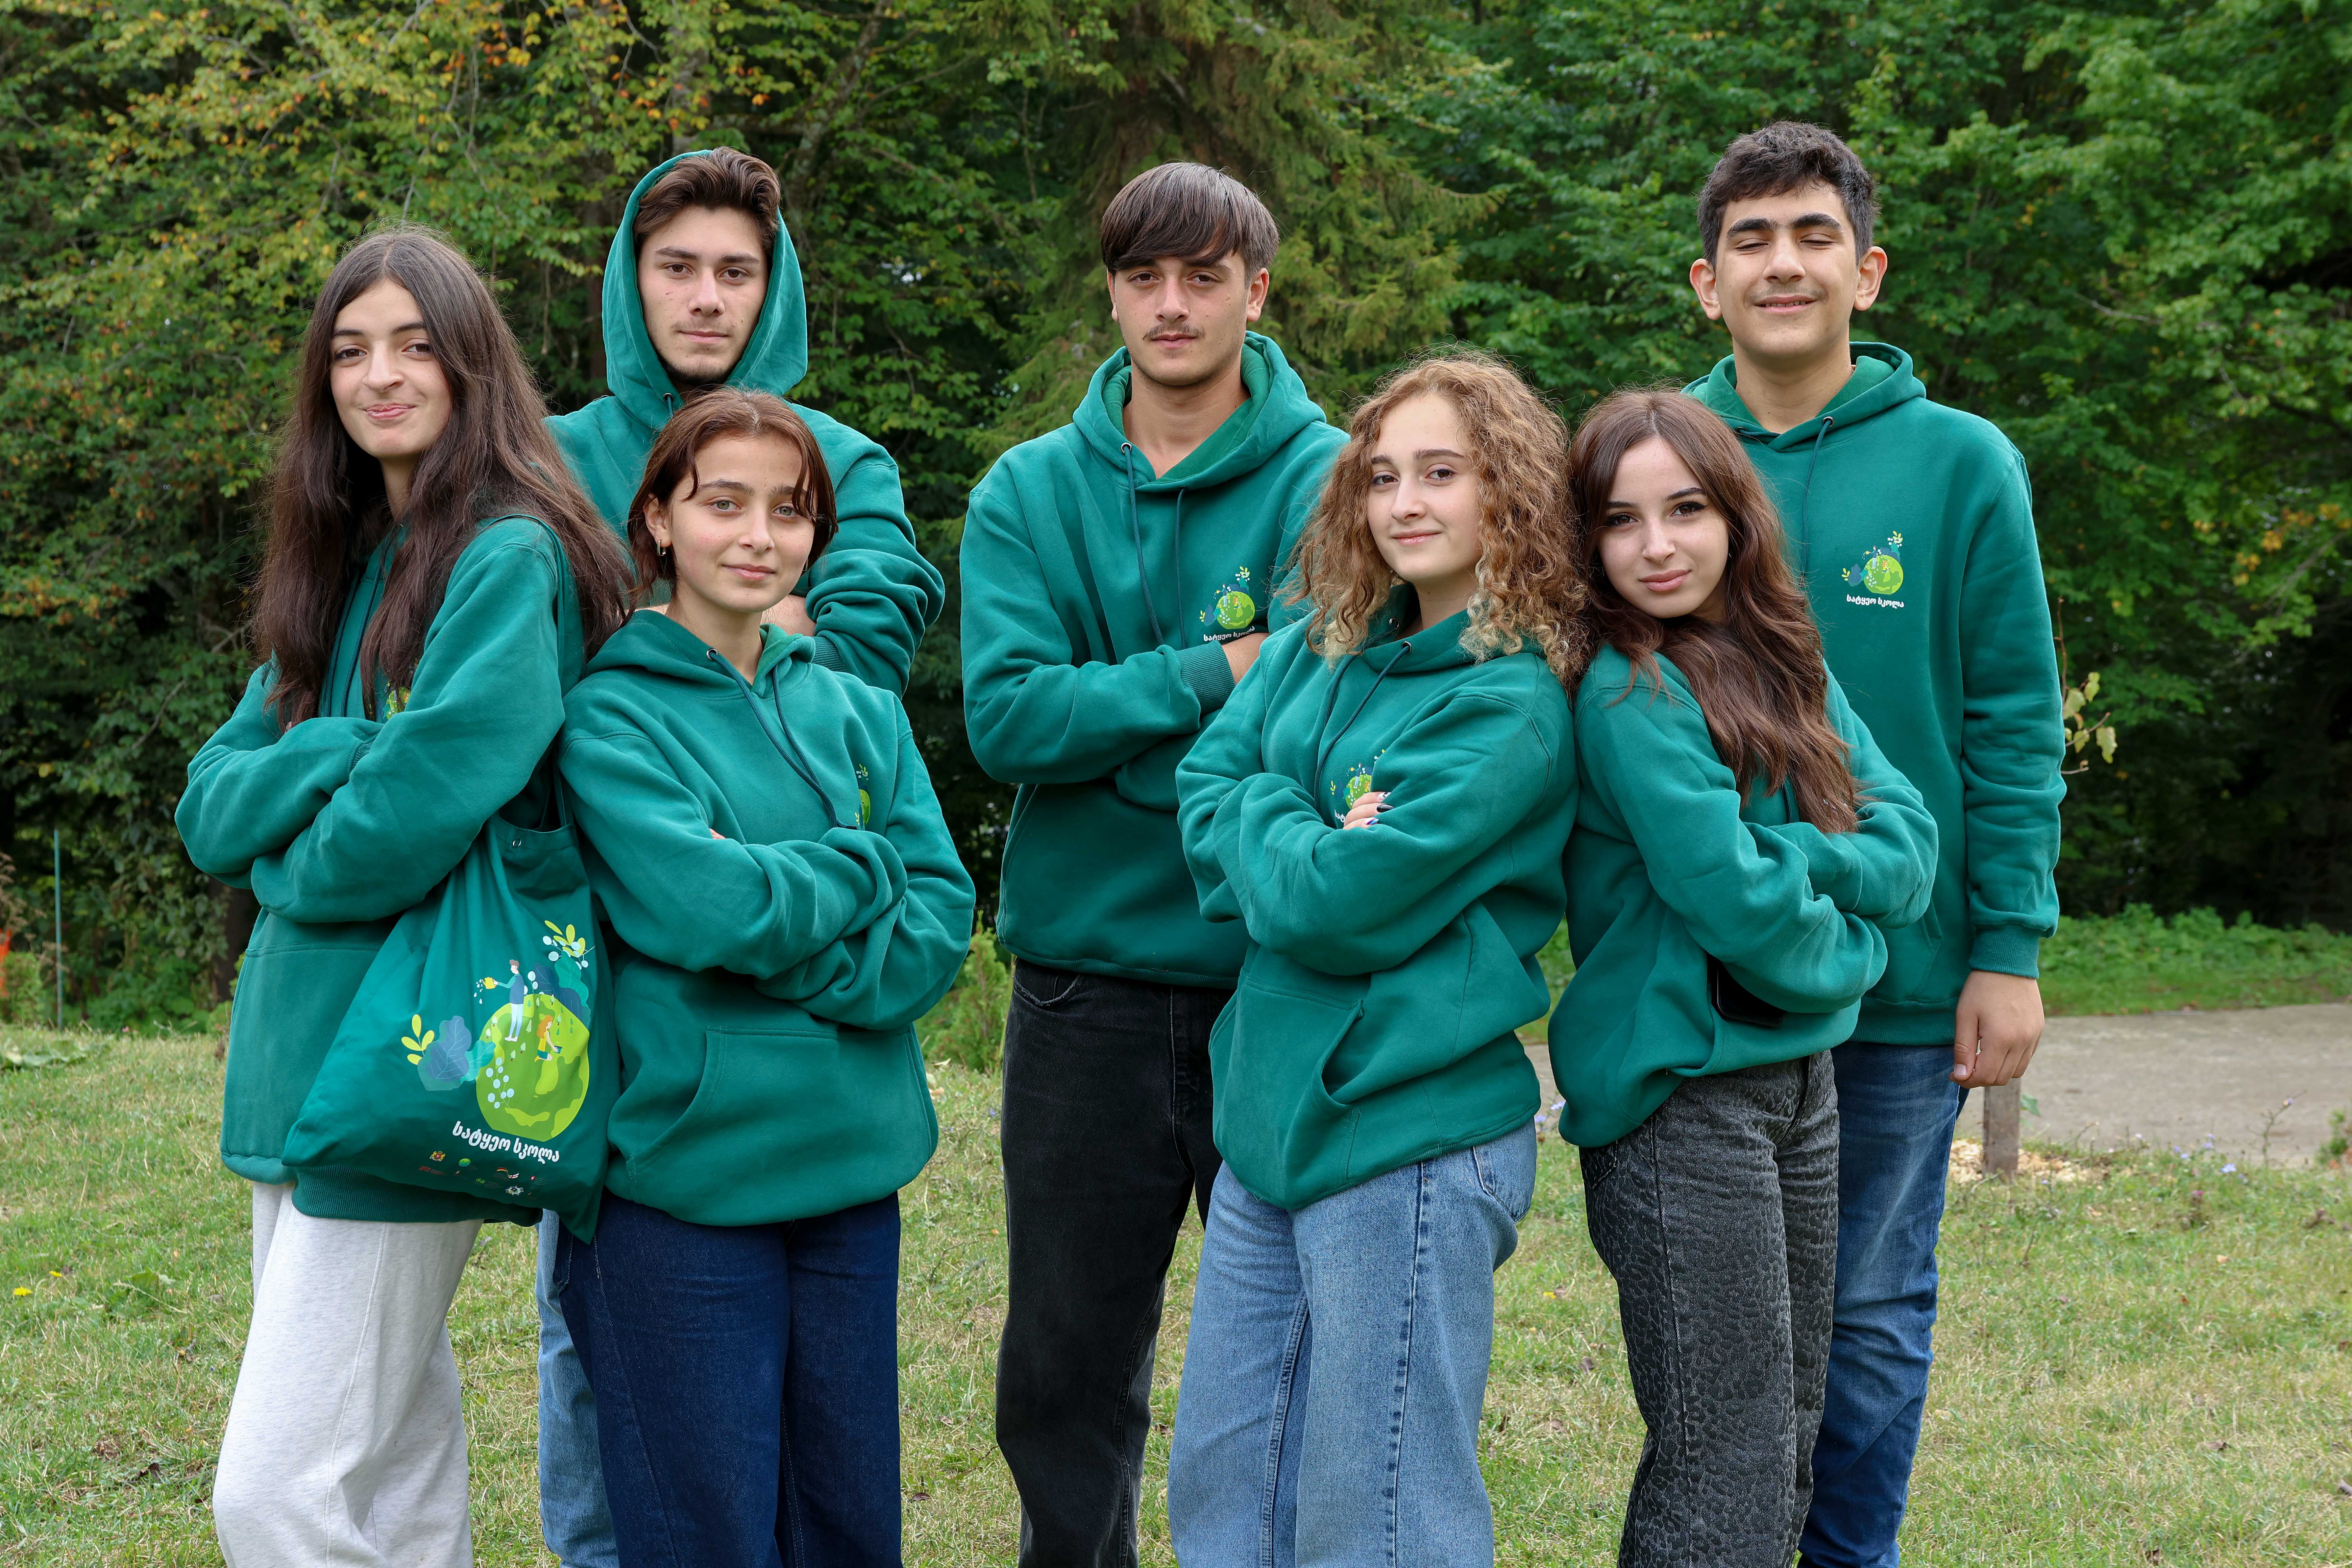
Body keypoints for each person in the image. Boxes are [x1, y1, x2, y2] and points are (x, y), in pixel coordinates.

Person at [176, 225, 633, 1567]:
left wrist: (288, 852)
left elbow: (419, 805)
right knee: (391, 1466)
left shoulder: (508, 554)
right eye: (350, 350)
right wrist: (336, 747)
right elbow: (211, 806)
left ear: (471, 362)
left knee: (277, 1492)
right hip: (298, 1057)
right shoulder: (338, 565)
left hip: (404, 1055)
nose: (379, 374)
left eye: (415, 345)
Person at [535, 146, 947, 1566]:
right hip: (668, 1111)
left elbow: (932, 897)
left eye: (737, 270)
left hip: (842, 1139)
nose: (708, 296)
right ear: (655, 519)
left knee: (843, 1499)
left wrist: (796, 911)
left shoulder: (847, 476)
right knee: (644, 1450)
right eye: (678, 266)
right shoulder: (552, 459)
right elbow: (704, 897)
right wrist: (854, 870)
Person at [1682, 122, 2066, 1567]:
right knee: (1725, 1328)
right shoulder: (1654, 456)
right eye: (1752, 240)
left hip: (1902, 982)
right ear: (1707, 282)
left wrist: (2007, 949)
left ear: (1870, 270)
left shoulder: (1963, 464)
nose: (1783, 263)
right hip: (1710, 977)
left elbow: (2014, 722)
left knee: (1871, 1305)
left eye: (1814, 235)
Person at [957, 161, 1347, 1567]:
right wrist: (1211, 672)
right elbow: (1009, 721)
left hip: (1276, 978)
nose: (1171, 305)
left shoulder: (1338, 480)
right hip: (1085, 985)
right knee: (1066, 1362)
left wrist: (1118, 720)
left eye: (1203, 277)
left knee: (1298, 1348)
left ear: (1258, 291)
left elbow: (1317, 726)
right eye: (1143, 278)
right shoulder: (1027, 492)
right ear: (1113, 296)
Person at [1167, 350, 1586, 1567]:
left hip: (1407, 1131)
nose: (1405, 501)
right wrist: (1297, 821)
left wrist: (1270, 814)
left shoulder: (1510, 703)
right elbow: (1204, 788)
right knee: (1225, 1489)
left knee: (1379, 1511)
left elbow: (1337, 904)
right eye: (1384, 475)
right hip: (1270, 1117)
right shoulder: (1323, 640)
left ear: (1506, 491)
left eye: (1442, 473)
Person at [1549, 389, 1937, 1567]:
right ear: (1587, 541)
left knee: (1791, 1425)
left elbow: (1912, 844)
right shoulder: (1629, 688)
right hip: (1679, 1096)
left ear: (1734, 515)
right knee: (1726, 1448)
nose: (1657, 545)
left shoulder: (1787, 659)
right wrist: (1859, 948)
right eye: (1621, 521)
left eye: (1685, 510)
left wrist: (1798, 855)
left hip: (1800, 1081)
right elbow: (1732, 903)